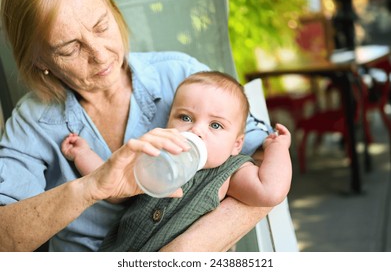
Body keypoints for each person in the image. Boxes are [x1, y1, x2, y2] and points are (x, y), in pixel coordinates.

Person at [0, 0, 276, 252]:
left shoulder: (181, 76)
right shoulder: (32, 122)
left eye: (101, 26)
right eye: (70, 48)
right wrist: (91, 187)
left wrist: (182, 253)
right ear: (38, 61)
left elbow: (266, 160)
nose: (100, 55)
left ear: (115, 13)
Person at [61, 71, 292, 252]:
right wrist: (84, 155)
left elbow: (270, 190)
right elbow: (113, 187)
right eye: (185, 117)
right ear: (168, 122)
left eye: (215, 125)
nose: (196, 130)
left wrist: (278, 149)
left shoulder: (230, 173)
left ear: (236, 145)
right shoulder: (155, 157)